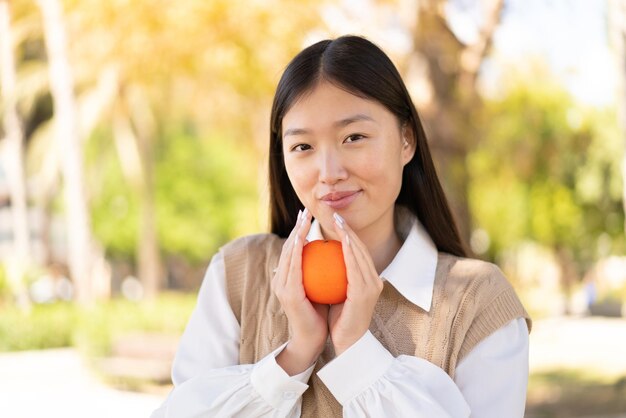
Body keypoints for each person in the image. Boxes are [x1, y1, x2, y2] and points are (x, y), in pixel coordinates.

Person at [151, 35, 531, 418]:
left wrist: (356, 352)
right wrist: (295, 356)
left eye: (354, 137)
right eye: (303, 147)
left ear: (406, 140)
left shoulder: (478, 302)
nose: (330, 174)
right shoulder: (239, 275)